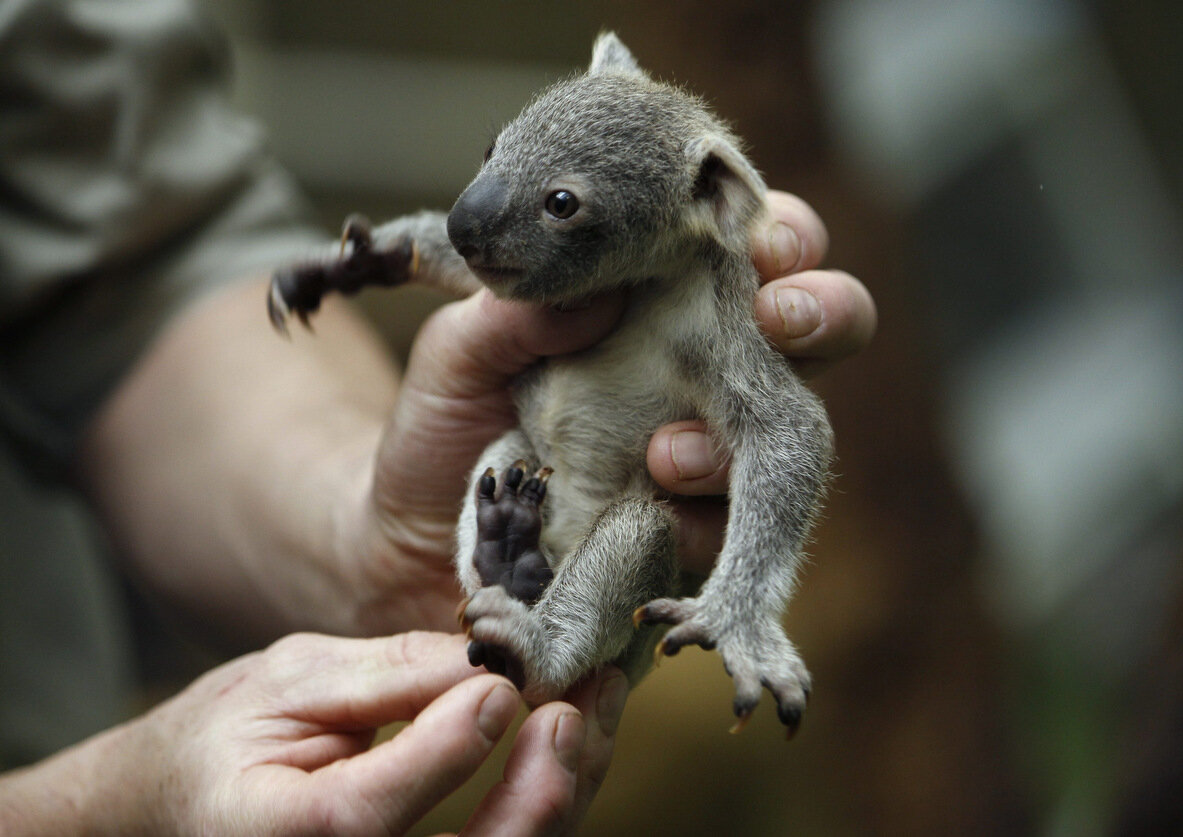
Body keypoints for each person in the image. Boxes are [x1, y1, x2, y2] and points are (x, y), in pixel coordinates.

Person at [0, 1, 876, 833]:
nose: (477, 209)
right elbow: (472, 241)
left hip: (590, 540)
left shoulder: (717, 288)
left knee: (630, 518)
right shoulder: (606, 235)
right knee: (515, 429)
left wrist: (743, 605)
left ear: (713, 202)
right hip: (537, 478)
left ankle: (544, 632)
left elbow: (788, 432)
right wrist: (396, 251)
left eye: (564, 205)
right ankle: (517, 580)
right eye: (496, 152)